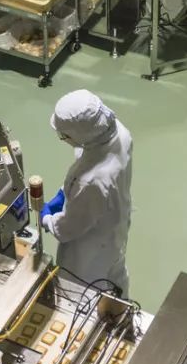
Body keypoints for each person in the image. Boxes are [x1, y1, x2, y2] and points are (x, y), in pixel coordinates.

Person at [40, 90, 133, 296]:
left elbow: (68, 229)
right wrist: (65, 193)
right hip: (113, 223)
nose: (65, 139)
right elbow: (84, 159)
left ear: (83, 135)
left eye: (65, 136)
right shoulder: (118, 132)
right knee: (114, 273)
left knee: (83, 288)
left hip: (90, 246)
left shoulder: (92, 181)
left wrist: (47, 219)